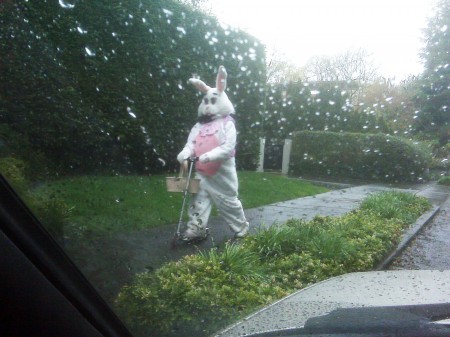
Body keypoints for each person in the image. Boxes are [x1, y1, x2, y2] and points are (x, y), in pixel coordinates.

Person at [177, 66, 249, 241]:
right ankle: (196, 229)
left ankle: (241, 229)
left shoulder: (227, 124)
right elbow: (191, 143)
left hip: (222, 174)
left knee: (228, 202)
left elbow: (228, 146)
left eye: (213, 101)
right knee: (198, 202)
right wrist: (185, 153)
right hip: (201, 172)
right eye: (206, 101)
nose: (209, 106)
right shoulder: (199, 126)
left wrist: (209, 156)